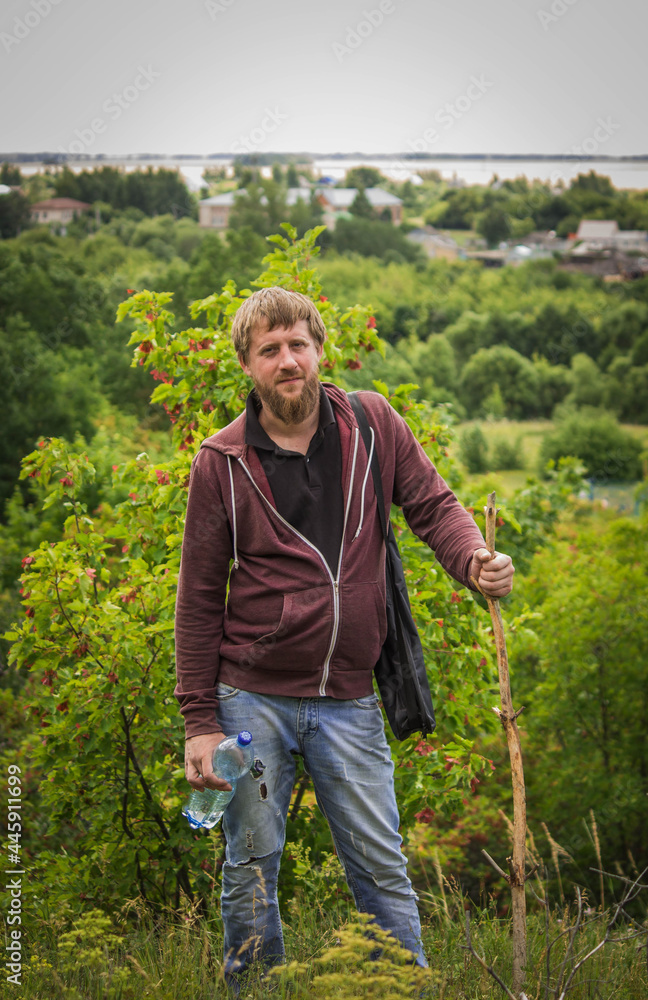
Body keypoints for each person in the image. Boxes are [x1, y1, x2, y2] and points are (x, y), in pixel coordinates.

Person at [174, 286, 514, 990]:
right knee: (249, 869)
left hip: (348, 699)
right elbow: (199, 598)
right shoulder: (222, 461)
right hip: (249, 703)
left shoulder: (372, 423)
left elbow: (433, 505)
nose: (287, 360)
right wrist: (199, 723)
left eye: (298, 343)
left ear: (320, 349)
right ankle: (257, 990)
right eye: (269, 350)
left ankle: (397, 989)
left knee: (380, 866)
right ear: (247, 365)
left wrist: (474, 561)